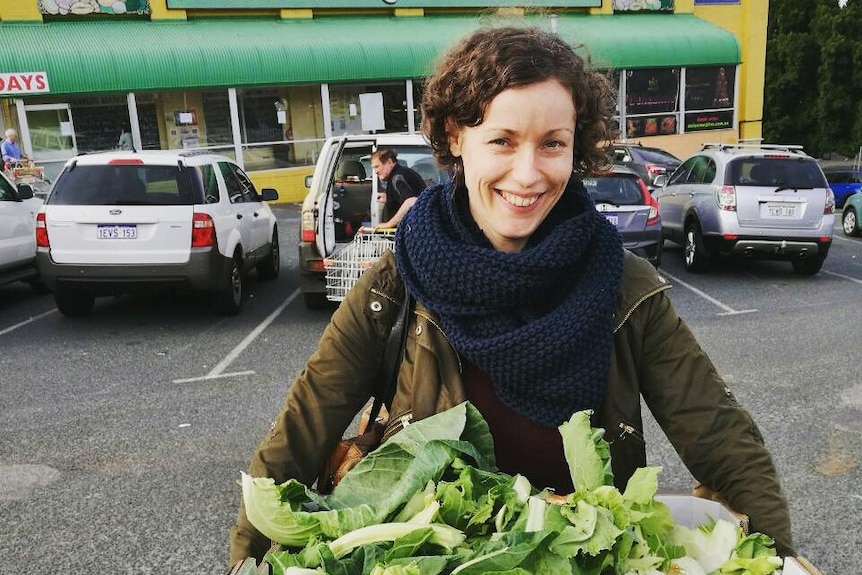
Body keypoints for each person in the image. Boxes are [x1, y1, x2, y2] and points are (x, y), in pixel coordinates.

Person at [228, 25, 795, 567]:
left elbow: (723, 440)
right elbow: (300, 433)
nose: (528, 174)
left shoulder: (623, 286)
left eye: (553, 144)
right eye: (502, 140)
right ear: (456, 136)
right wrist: (245, 561)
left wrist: (776, 559)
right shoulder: (394, 285)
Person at [368, 148, 426, 229]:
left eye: (377, 166)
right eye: (374, 168)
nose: (375, 171)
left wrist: (388, 224)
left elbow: (411, 201)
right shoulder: (400, 174)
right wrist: (390, 198)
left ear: (389, 162)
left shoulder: (397, 178)